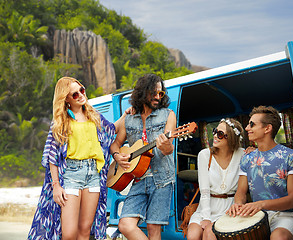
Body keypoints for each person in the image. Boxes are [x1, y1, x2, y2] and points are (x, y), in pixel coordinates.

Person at [28, 76, 126, 240]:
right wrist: (56, 186)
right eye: (75, 94)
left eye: (82, 90)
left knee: (85, 230)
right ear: (65, 99)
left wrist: (125, 116)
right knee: (69, 233)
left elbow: (111, 130)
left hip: (93, 175)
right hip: (71, 175)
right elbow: (52, 155)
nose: (81, 95)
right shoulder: (61, 122)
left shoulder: (94, 116)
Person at [110, 73, 176, 240]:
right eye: (153, 92)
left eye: (160, 94)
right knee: (125, 224)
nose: (157, 97)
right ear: (143, 91)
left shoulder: (168, 115)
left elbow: (169, 150)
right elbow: (114, 143)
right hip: (138, 179)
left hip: (162, 179)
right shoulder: (130, 118)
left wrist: (166, 145)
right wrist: (117, 156)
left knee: (153, 229)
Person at [227, 106, 293, 240]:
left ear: (267, 128)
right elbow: (241, 193)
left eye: (252, 124)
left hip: (285, 216)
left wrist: (261, 204)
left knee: (278, 237)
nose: (247, 128)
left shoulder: (291, 157)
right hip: (255, 216)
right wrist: (237, 204)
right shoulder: (247, 158)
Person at [187, 118, 245, 240]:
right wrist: (206, 217)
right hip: (206, 205)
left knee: (209, 233)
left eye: (220, 134)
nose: (215, 136)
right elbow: (204, 190)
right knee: (192, 235)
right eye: (215, 131)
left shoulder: (242, 155)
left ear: (232, 138)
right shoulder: (204, 155)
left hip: (229, 207)